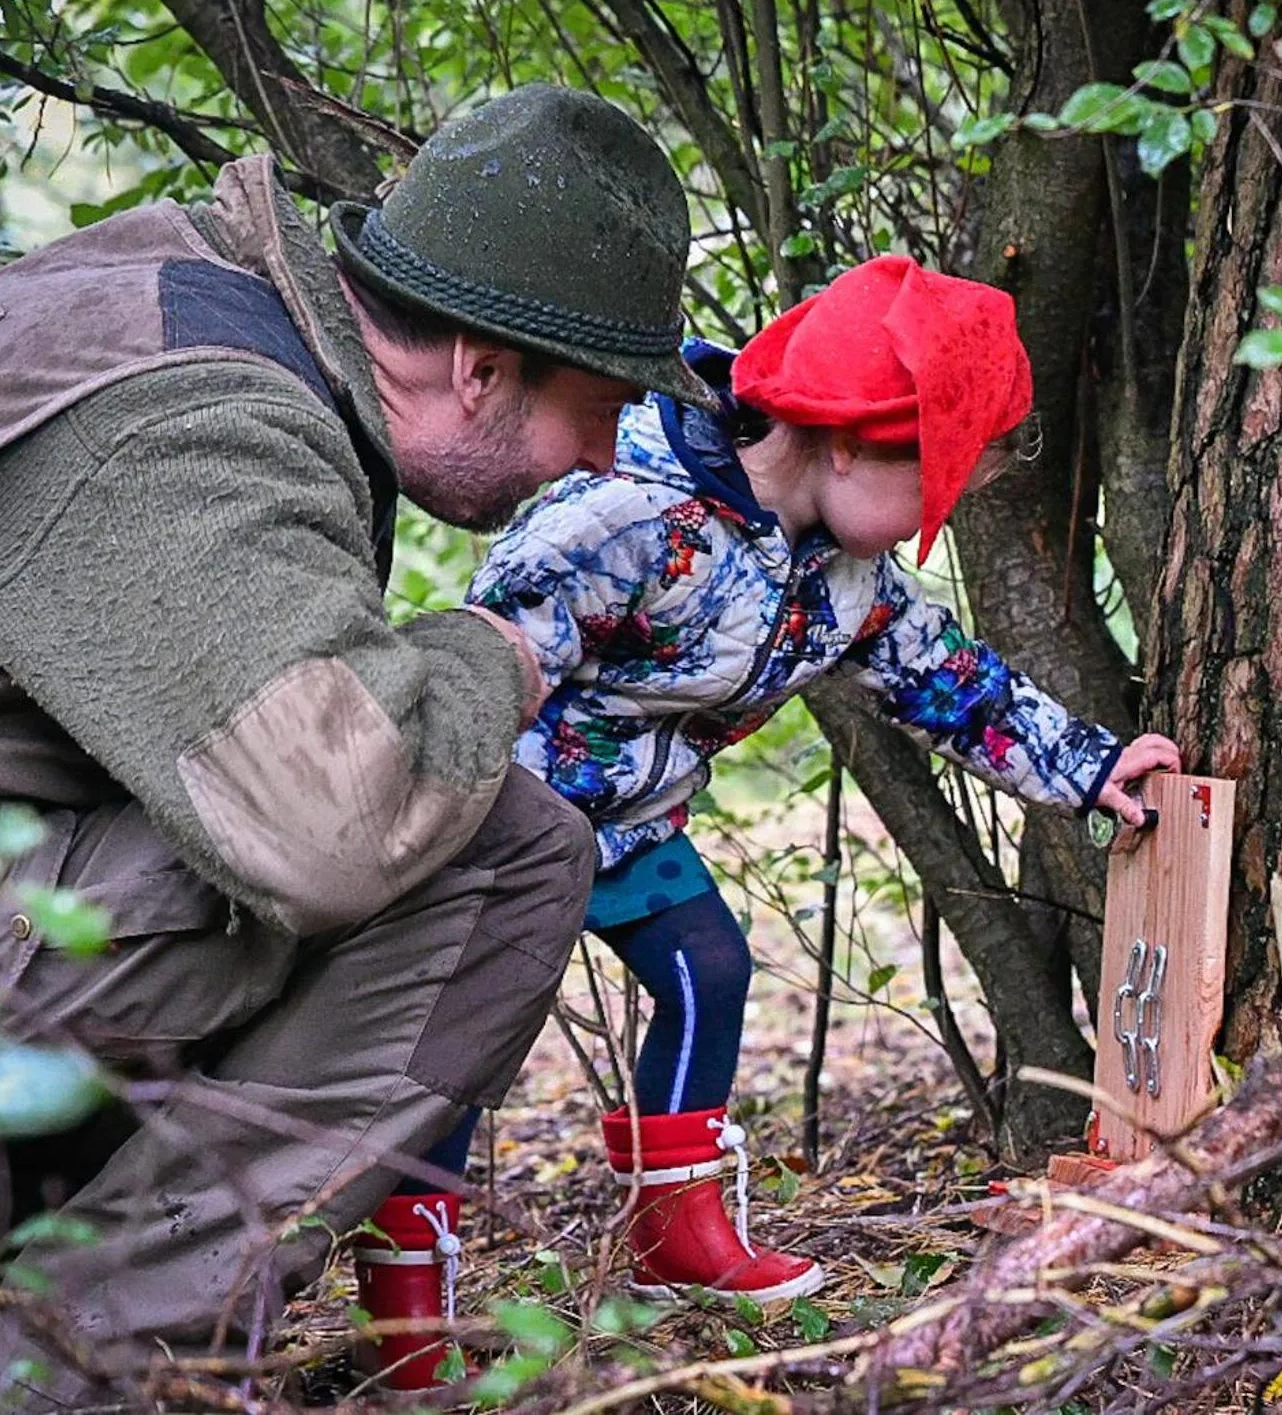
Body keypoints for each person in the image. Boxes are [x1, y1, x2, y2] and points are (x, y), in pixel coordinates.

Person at [0, 84, 711, 1411]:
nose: (593, 459)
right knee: (502, 853)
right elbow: (325, 829)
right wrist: (490, 653)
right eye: (598, 407)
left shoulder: (178, 305)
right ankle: (92, 1384)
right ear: (481, 363)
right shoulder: (198, 413)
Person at [448, 255, 1182, 1302]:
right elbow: (484, 668)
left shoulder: (838, 576)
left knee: (706, 967)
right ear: (845, 446)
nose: (943, 512)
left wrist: (1092, 767)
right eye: (934, 487)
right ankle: (405, 1297)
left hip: (635, 828)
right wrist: (440, 826)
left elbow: (945, 681)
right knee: (459, 1044)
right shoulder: (625, 515)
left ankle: (677, 1231)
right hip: (503, 824)